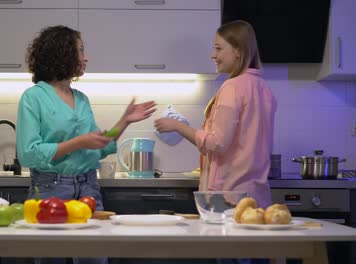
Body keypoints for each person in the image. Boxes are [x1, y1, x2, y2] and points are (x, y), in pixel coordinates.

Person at [16, 25, 156, 264]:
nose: (86, 57)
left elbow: (98, 146)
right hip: (51, 190)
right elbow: (28, 154)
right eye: (81, 51)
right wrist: (79, 141)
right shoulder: (33, 97)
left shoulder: (81, 99)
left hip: (88, 190)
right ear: (62, 54)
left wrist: (124, 121)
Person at [155, 20, 276, 209]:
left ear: (238, 51)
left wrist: (177, 126)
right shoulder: (264, 88)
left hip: (229, 197)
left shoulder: (233, 87)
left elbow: (216, 143)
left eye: (219, 49)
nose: (213, 55)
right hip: (257, 196)